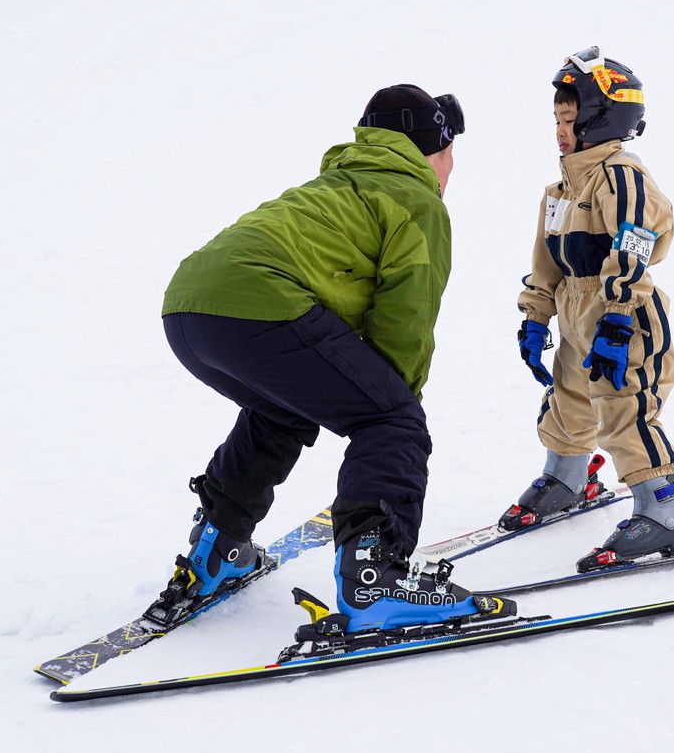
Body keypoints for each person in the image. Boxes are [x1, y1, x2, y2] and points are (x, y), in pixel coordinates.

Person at [158, 84, 509, 632]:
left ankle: (218, 551)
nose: (450, 167)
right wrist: (393, 410)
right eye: (448, 153)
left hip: (187, 309)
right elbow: (405, 320)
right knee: (390, 420)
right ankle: (377, 583)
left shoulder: (336, 182)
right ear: (431, 152)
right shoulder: (415, 201)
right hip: (261, 302)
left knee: (283, 407)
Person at [502, 47, 674, 572]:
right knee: (569, 398)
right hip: (574, 309)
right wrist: (537, 315)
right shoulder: (561, 187)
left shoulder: (621, 176)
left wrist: (618, 313)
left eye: (570, 118)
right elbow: (547, 259)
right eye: (555, 120)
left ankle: (666, 510)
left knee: (624, 402)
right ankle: (569, 476)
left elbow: (635, 243)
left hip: (621, 312)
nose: (560, 130)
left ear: (601, 118)